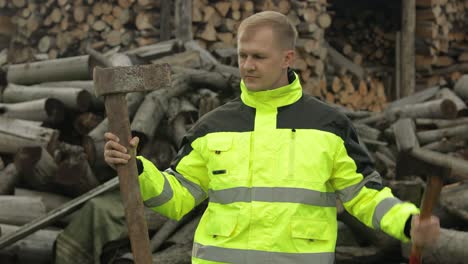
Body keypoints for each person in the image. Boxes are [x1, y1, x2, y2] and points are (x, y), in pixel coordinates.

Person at [104, 11, 440, 264]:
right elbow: (176, 199)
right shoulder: (212, 127)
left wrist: (409, 222)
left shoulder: (328, 126)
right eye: (242, 55)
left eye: (258, 57)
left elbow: (365, 196)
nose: (247, 65)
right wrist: (136, 168)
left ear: (287, 58)